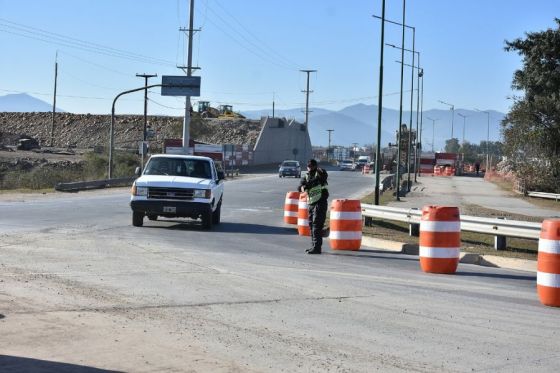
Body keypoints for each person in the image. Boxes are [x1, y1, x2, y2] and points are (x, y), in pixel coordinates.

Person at [299, 159, 329, 254]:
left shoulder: (320, 173)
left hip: (320, 203)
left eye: (312, 166)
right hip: (311, 204)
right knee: (312, 225)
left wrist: (309, 184)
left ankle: (317, 248)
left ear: (315, 166)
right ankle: (313, 246)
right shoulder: (306, 176)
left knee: (316, 226)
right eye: (309, 166)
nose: (310, 168)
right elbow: (300, 187)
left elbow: (322, 177)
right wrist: (303, 187)